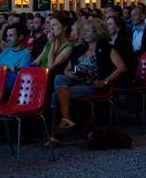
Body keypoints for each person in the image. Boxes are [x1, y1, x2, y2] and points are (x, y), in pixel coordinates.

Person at [47, 19, 126, 147]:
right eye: (83, 31)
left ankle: (56, 135)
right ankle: (66, 118)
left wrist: (105, 81)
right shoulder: (80, 49)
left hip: (92, 84)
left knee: (55, 96)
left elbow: (122, 68)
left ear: (97, 32)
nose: (84, 34)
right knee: (59, 78)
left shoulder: (107, 48)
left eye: (88, 31)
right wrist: (68, 73)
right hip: (75, 80)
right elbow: (67, 68)